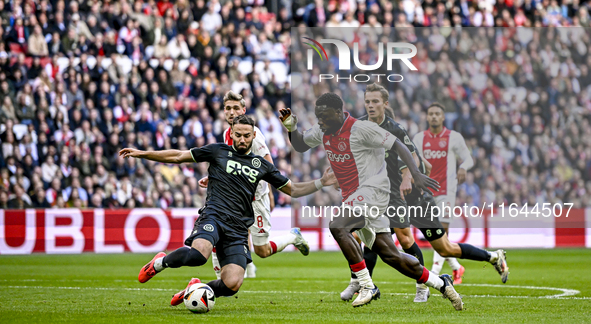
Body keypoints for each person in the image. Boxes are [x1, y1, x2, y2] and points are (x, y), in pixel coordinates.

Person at [120, 115, 336, 302]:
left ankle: (193, 290)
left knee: (231, 284)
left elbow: (293, 190)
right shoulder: (217, 151)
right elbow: (178, 156)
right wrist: (141, 153)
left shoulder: (262, 166)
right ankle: (160, 262)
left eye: (247, 136)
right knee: (198, 256)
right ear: (231, 134)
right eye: (238, 135)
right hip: (214, 216)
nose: (242, 139)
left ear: (254, 136)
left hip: (238, 229)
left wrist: (321, 183)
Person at [279, 93, 464, 310]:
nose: (320, 121)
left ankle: (366, 286)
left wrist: (415, 173)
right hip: (353, 196)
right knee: (391, 255)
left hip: (374, 190)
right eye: (318, 116)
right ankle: (441, 283)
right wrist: (291, 128)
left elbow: (398, 145)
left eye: (325, 117)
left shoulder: (361, 129)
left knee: (338, 226)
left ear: (339, 113)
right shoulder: (323, 130)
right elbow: (300, 146)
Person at [341, 85, 509, 304]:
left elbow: (418, 160)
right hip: (387, 197)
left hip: (415, 198)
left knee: (443, 247)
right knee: (374, 236)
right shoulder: (359, 127)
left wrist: (409, 176)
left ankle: (492, 257)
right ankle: (365, 284)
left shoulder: (396, 130)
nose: (371, 105)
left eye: (375, 102)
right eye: (368, 101)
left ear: (385, 104)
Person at [200, 91, 310, 281]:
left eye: (236, 108)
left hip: (255, 198)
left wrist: (269, 193)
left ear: (243, 110)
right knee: (222, 232)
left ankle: (293, 237)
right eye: (228, 108)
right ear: (223, 112)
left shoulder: (254, 135)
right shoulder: (229, 133)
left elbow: (268, 167)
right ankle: (222, 279)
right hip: (235, 198)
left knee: (263, 250)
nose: (232, 112)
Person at [413, 103, 509, 284]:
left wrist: (463, 167)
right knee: (439, 240)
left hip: (445, 191)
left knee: (441, 233)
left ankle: (434, 274)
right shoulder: (419, 138)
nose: (434, 117)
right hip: (425, 194)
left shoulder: (453, 137)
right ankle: (457, 268)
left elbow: (468, 158)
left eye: (437, 114)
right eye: (431, 114)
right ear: (427, 117)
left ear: (443, 118)